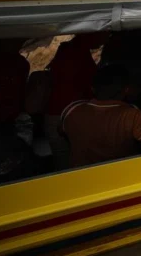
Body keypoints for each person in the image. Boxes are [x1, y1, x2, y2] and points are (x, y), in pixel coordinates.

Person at [45, 33, 108, 170]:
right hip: (68, 115)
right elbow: (86, 85)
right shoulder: (76, 53)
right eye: (104, 34)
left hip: (59, 113)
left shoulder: (69, 50)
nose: (105, 38)